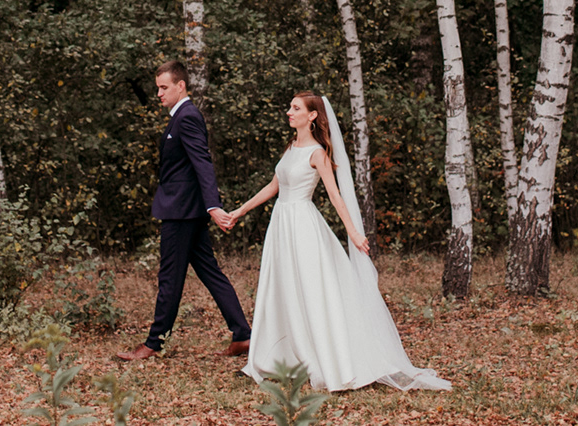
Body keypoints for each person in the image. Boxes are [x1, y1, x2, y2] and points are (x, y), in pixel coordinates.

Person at [223, 91, 450, 393]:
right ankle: (276, 358)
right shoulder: (291, 147)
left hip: (303, 225)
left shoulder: (317, 153)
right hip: (281, 224)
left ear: (312, 115)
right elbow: (274, 186)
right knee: (282, 286)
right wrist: (240, 211)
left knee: (310, 289)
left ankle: (325, 359)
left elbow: (334, 195)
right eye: (290, 107)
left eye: (295, 108)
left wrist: (353, 232)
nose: (289, 112)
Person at [115, 60, 251, 362]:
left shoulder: (187, 116)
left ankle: (154, 343)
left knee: (170, 278)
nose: (159, 94)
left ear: (181, 86)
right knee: (210, 273)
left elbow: (202, 162)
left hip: (181, 212)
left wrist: (213, 205)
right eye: (157, 88)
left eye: (164, 87)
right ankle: (242, 335)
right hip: (186, 210)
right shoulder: (180, 116)